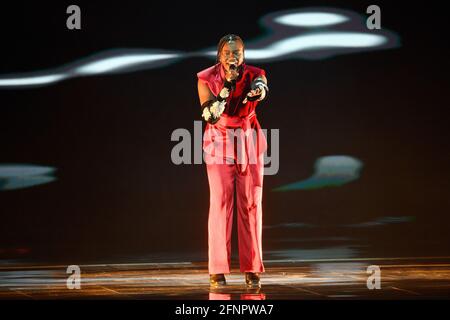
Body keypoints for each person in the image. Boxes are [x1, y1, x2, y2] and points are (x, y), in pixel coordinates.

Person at [196, 34, 269, 288]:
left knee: (251, 204)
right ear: (219, 56)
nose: (232, 57)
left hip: (248, 140)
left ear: (243, 54)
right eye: (227, 53)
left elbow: (261, 87)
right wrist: (227, 85)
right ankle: (217, 270)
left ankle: (252, 269)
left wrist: (257, 92)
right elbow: (211, 115)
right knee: (220, 204)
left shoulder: (255, 72)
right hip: (219, 142)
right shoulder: (205, 78)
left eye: (236, 52)